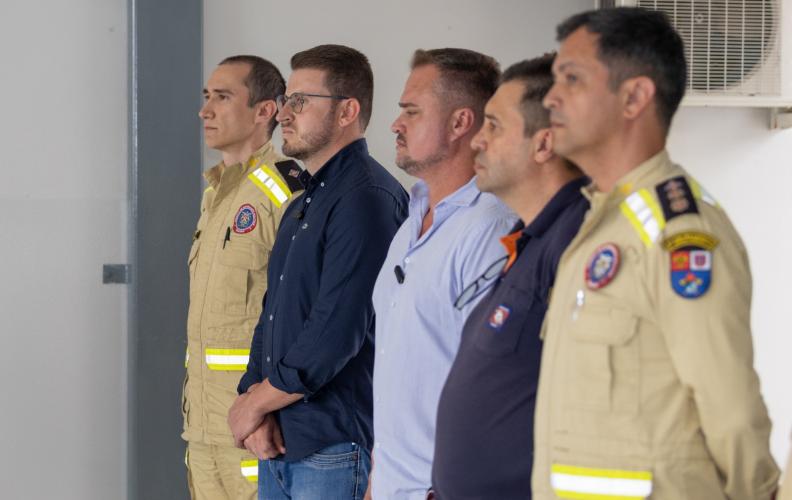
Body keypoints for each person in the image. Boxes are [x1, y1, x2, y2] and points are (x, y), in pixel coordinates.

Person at [532, 7, 779, 499]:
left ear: (635, 97)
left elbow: (729, 404)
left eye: (572, 79)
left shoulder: (675, 233)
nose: (551, 97)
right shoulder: (602, 223)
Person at [228, 44, 408, 500]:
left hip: (330, 447)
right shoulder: (303, 204)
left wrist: (256, 404)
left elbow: (336, 332)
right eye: (287, 100)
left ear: (347, 110)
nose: (284, 114)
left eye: (300, 102)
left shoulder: (366, 199)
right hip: (280, 442)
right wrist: (255, 403)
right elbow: (272, 316)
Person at [430, 53, 588, 500]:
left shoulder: (579, 242)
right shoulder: (529, 238)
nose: (477, 141)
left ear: (544, 144)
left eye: (494, 126)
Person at [368, 48, 516, 499]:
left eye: (411, 112)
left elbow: (495, 384)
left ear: (460, 124)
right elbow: (399, 366)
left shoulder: (491, 228)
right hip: (394, 484)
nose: (396, 124)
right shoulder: (412, 220)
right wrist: (380, 474)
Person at [184, 55, 301, 500]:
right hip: (202, 428)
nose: (206, 110)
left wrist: (265, 407)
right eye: (206, 97)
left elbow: (297, 313)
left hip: (253, 428)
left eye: (223, 96)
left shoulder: (283, 191)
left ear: (265, 110)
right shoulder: (216, 193)